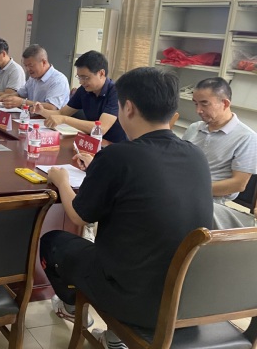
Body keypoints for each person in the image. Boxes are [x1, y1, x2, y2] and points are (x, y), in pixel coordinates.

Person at [41, 67, 213, 347]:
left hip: (132, 299)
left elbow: (78, 215)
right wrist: (97, 166)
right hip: (186, 298)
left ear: (128, 108)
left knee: (53, 243)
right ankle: (112, 337)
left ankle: (72, 307)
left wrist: (61, 181)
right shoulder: (196, 155)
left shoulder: (118, 156)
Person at [183, 77, 257, 228]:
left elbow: (238, 184)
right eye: (196, 104)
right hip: (182, 194)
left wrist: (192, 190)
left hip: (209, 203)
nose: (198, 110)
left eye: (204, 104)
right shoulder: (194, 128)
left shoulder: (246, 137)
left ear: (225, 104)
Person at [34, 50, 126, 143]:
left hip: (113, 144)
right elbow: (62, 113)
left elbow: (101, 128)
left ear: (101, 73)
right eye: (79, 77)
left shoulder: (116, 91)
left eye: (85, 77)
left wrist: (65, 119)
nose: (81, 82)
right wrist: (42, 111)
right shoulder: (84, 90)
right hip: (91, 141)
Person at [0, 44, 69, 110]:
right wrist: (6, 97)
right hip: (32, 118)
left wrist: (23, 102)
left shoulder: (58, 80)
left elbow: (52, 107)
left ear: (43, 62)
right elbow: (20, 94)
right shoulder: (33, 78)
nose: (27, 69)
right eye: (25, 65)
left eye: (31, 65)